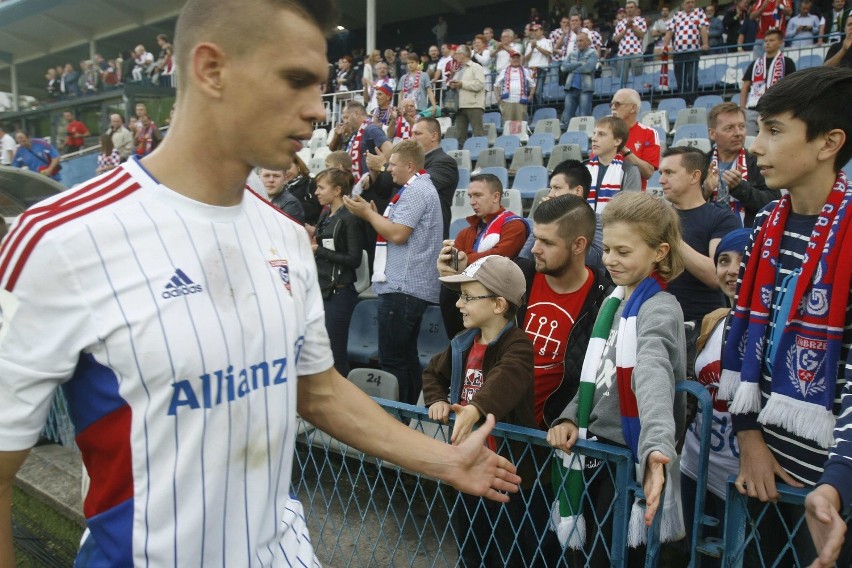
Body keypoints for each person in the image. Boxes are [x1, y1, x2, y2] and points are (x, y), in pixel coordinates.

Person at [0, 1, 521, 566]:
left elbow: (318, 390)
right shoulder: (62, 239)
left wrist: (442, 459)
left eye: (319, 86)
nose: (313, 112)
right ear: (210, 69)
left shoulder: (285, 237)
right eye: (294, 80)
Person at [716, 67, 852, 568]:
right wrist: (749, 437)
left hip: (832, 489)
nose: (755, 147)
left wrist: (836, 484)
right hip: (767, 472)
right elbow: (745, 340)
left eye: (774, 131)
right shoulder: (763, 231)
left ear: (828, 142)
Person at [547, 190, 687, 564]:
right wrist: (569, 416)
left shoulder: (659, 308)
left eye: (623, 252)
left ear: (659, 252)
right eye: (607, 249)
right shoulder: (614, 300)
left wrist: (657, 445)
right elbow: (596, 374)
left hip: (626, 462)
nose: (609, 259)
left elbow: (653, 374)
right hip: (592, 452)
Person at [424, 254, 536, 567]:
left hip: (508, 476)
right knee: (470, 547)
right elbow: (432, 373)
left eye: (468, 297)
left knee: (507, 552)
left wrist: (476, 408)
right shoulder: (462, 343)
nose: (459, 304)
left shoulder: (518, 345)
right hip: (468, 467)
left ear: (499, 305)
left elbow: (508, 376)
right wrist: (436, 400)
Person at [343, 140, 443, 407]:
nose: (389, 170)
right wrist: (375, 215)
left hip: (403, 287)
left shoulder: (416, 191)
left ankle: (399, 416)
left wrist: (367, 214)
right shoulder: (418, 188)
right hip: (407, 287)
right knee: (405, 356)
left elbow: (398, 234)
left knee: (393, 359)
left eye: (393, 165)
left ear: (410, 166)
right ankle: (411, 413)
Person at [679, 227, 751, 565]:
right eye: (724, 261)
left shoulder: (779, 328)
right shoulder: (714, 320)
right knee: (695, 557)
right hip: (696, 466)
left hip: (744, 477)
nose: (731, 269)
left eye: (742, 260)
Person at [660, 146, 741, 374]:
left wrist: (670, 235)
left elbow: (716, 275)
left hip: (701, 328)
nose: (662, 179)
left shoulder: (722, 219)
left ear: (695, 176)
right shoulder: (656, 218)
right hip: (658, 323)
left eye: (669, 172)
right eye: (661, 173)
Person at [438, 173, 529, 339]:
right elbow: (456, 266)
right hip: (467, 299)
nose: (472, 201)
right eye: (470, 196)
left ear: (496, 197)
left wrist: (465, 259)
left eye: (478, 195)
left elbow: (496, 260)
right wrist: (446, 265)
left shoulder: (515, 226)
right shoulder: (465, 232)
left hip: (495, 304)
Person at [312, 168, 364, 377]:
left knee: (336, 355)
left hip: (340, 293)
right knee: (322, 353)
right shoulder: (327, 215)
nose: (316, 192)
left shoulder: (349, 218)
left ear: (337, 190)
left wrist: (318, 250)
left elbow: (354, 259)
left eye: (321, 187)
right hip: (324, 290)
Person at [703, 102, 780, 227]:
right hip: (708, 233)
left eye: (742, 126)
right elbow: (686, 206)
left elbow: (774, 202)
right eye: (729, 128)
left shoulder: (759, 161)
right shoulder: (701, 163)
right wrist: (705, 193)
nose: (738, 133)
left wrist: (741, 188)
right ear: (712, 133)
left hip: (747, 234)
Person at [519, 160, 604, 270]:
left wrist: (568, 220)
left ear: (578, 191)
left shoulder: (598, 220)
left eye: (557, 188)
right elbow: (524, 257)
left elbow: (597, 261)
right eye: (551, 188)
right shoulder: (547, 220)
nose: (550, 194)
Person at [740, 28, 796, 131]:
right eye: (766, 41)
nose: (768, 43)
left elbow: (792, 86)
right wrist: (742, 108)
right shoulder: (756, 63)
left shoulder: (787, 62)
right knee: (749, 142)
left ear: (780, 43)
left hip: (776, 108)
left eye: (771, 40)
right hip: (753, 108)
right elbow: (745, 86)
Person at [586, 116, 642, 214]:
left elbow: (631, 210)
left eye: (601, 134)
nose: (594, 139)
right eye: (594, 134)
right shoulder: (583, 169)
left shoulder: (630, 170)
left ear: (617, 141)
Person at [610, 88, 661, 189]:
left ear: (632, 108)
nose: (612, 108)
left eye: (617, 104)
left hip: (633, 199)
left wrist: (625, 151)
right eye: (611, 104)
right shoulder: (604, 132)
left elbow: (648, 173)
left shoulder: (649, 133)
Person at [662, 0, 710, 100]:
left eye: (692, 2)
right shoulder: (676, 15)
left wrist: (705, 44)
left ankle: (693, 100)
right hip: (678, 52)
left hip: (693, 51)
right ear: (682, 5)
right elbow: (669, 32)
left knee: (692, 77)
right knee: (680, 80)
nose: (691, 4)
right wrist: (665, 47)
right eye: (688, 2)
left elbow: (703, 28)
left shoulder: (699, 12)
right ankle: (683, 101)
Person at [447, 45, 486, 148]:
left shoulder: (476, 67)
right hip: (459, 106)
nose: (455, 56)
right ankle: (463, 159)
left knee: (478, 134)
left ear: (463, 55)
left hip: (474, 106)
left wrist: (462, 84)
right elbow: (459, 85)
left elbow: (480, 85)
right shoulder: (458, 70)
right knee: (460, 137)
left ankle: (480, 157)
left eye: (457, 54)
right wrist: (453, 85)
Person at [559, 31, 598, 127]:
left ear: (588, 42)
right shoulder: (572, 53)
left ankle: (584, 138)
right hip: (570, 88)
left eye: (581, 40)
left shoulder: (593, 53)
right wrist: (579, 63)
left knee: (584, 117)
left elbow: (588, 68)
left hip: (585, 89)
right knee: (567, 117)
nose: (579, 43)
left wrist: (571, 68)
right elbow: (563, 68)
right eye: (577, 41)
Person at [493, 50, 536, 123]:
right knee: (508, 123)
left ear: (520, 59)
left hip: (521, 101)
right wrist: (497, 97)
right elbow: (495, 85)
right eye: (513, 58)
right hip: (507, 101)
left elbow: (533, 84)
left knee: (521, 124)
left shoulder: (525, 71)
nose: (515, 59)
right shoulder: (504, 71)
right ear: (510, 60)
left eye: (517, 58)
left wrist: (531, 95)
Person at [612, 0, 648, 82]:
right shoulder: (620, 23)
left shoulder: (641, 20)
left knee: (638, 79)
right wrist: (626, 29)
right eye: (627, 8)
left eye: (631, 7)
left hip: (636, 52)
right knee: (622, 80)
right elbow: (616, 39)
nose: (629, 9)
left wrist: (632, 26)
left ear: (636, 9)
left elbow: (642, 34)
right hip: (622, 54)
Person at [524, 23, 554, 105]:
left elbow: (548, 53)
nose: (534, 32)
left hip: (541, 69)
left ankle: (541, 110)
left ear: (542, 31)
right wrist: (532, 49)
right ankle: (534, 112)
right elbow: (526, 59)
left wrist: (536, 46)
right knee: (531, 93)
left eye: (536, 30)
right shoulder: (530, 43)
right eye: (533, 31)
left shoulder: (547, 41)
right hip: (531, 70)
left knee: (538, 92)